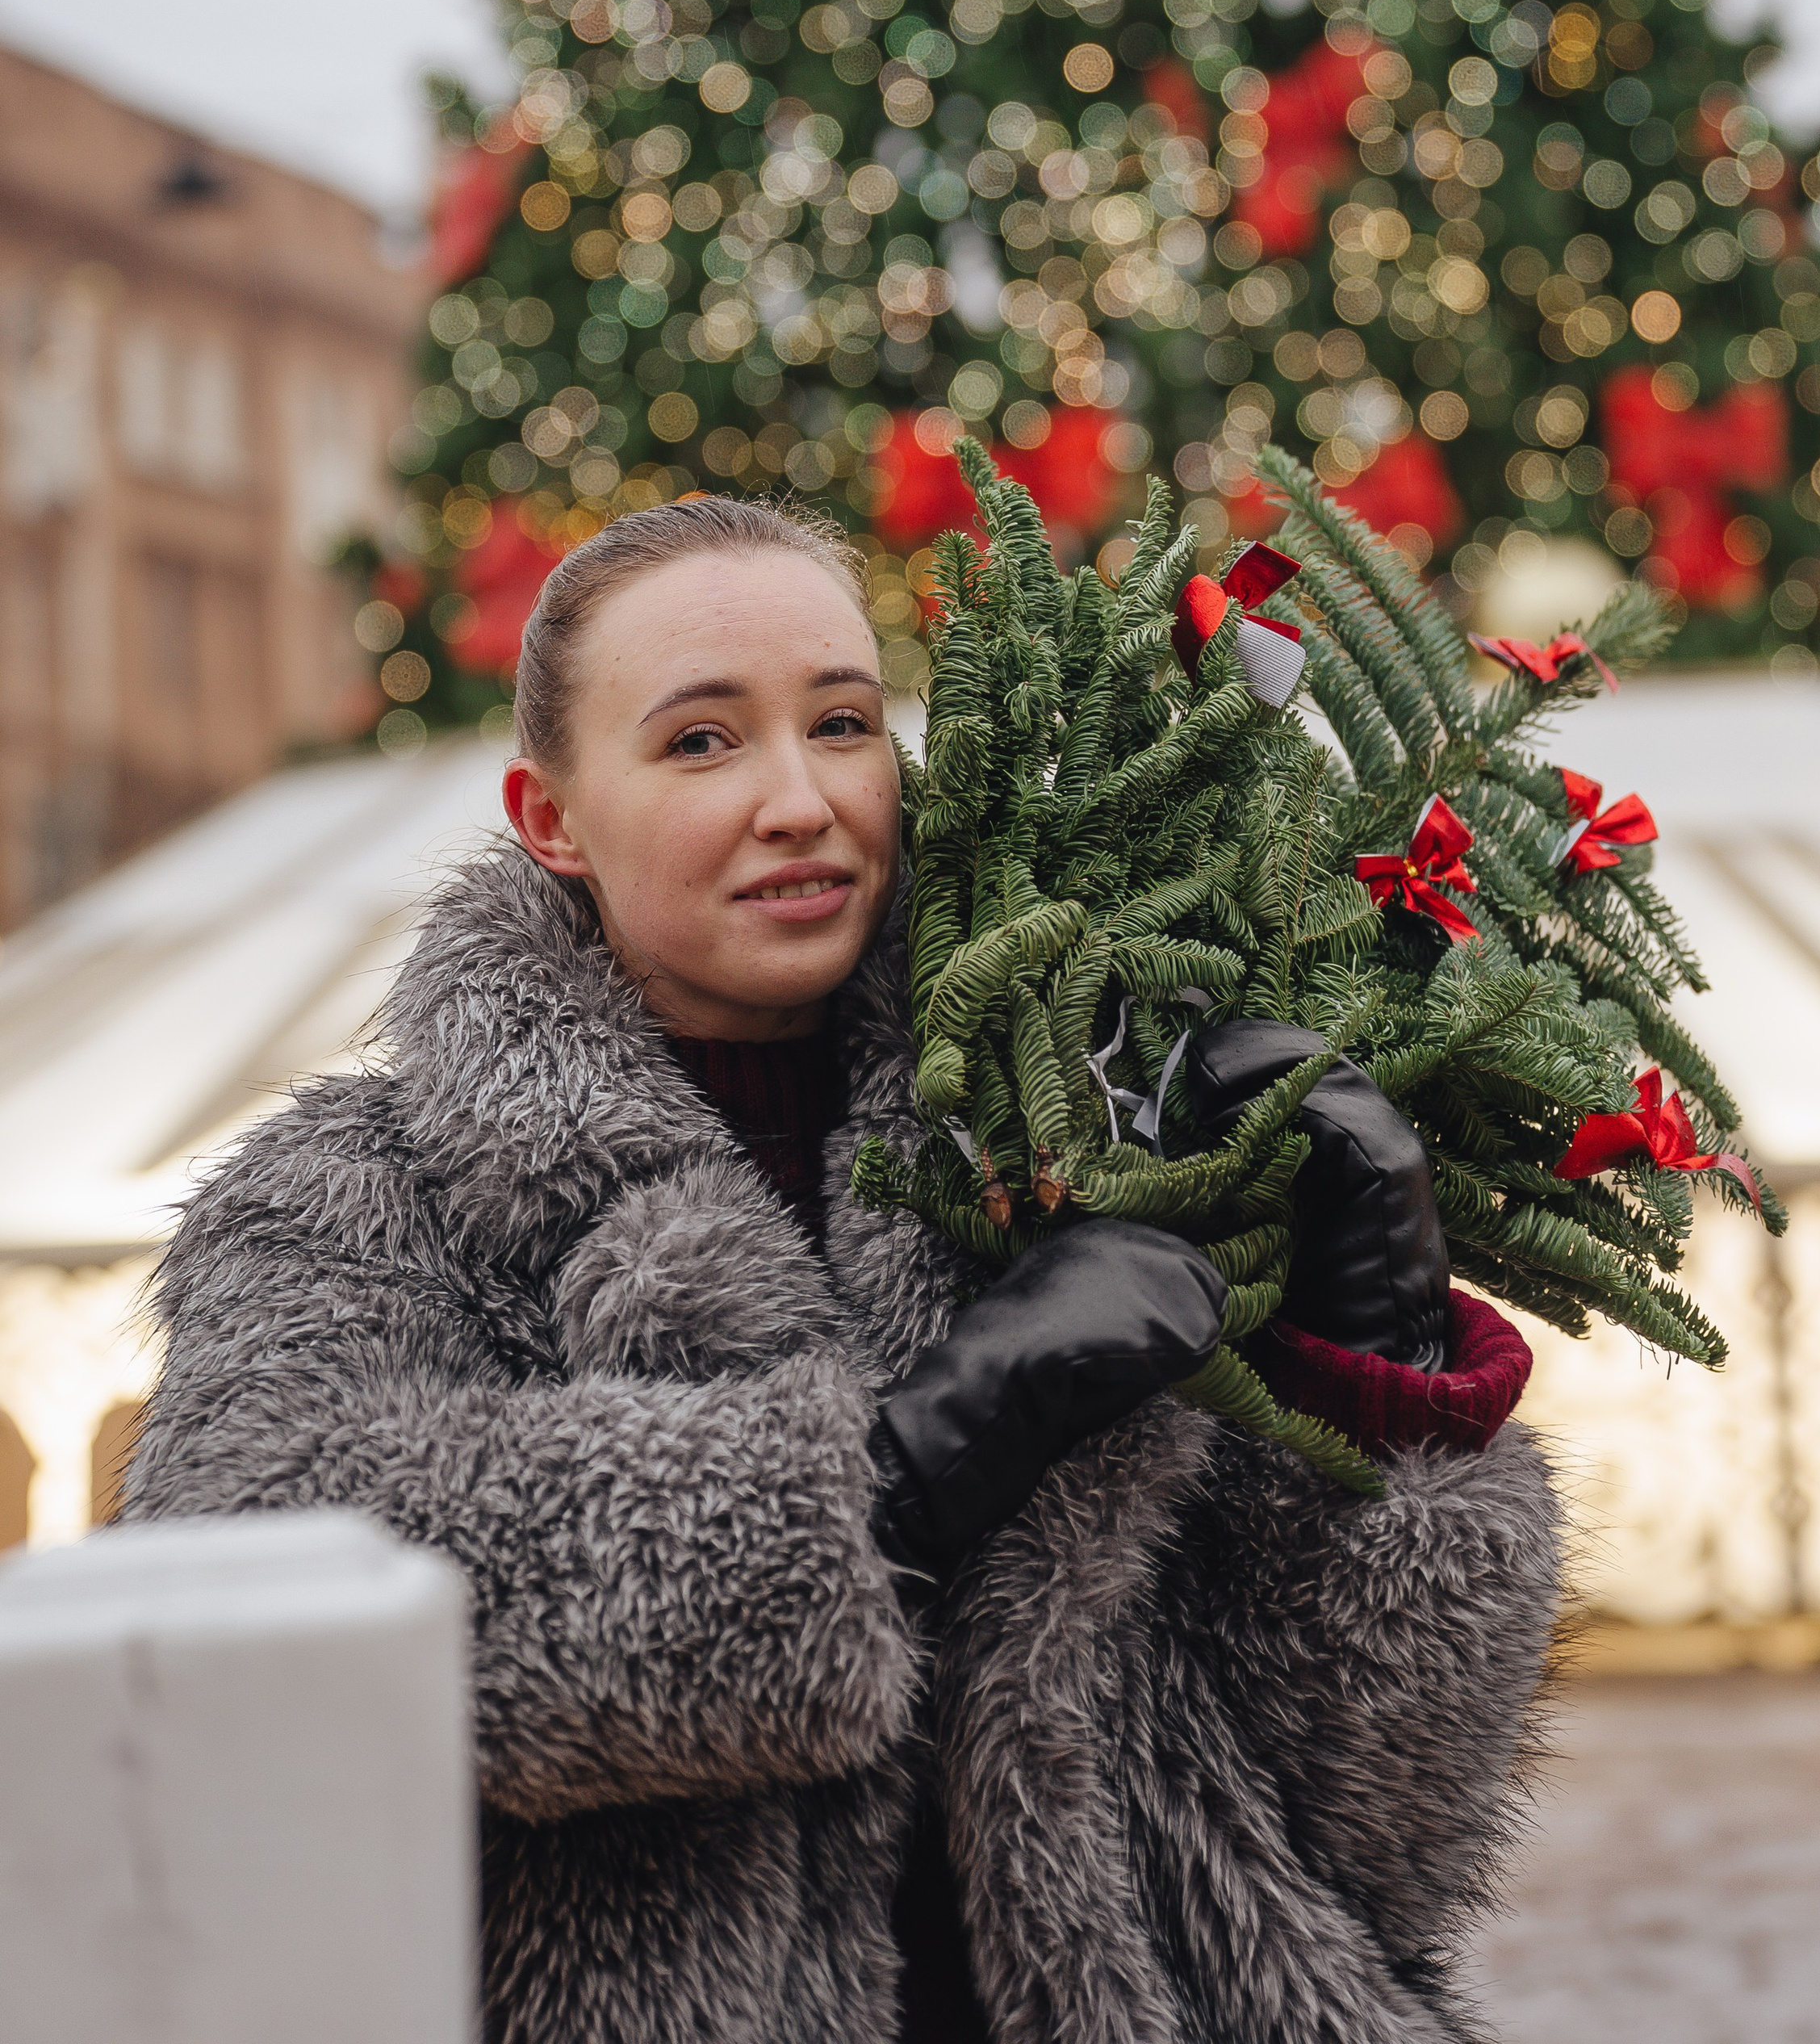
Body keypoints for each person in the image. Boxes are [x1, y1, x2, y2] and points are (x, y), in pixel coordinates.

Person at [127, 495, 1558, 2044]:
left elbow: (1380, 1822)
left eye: (843, 722)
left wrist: (1384, 1352)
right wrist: (900, 1467)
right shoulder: (355, 1196)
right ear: (550, 817)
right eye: (700, 742)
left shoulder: (1078, 1134)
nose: (800, 799)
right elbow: (256, 1633)